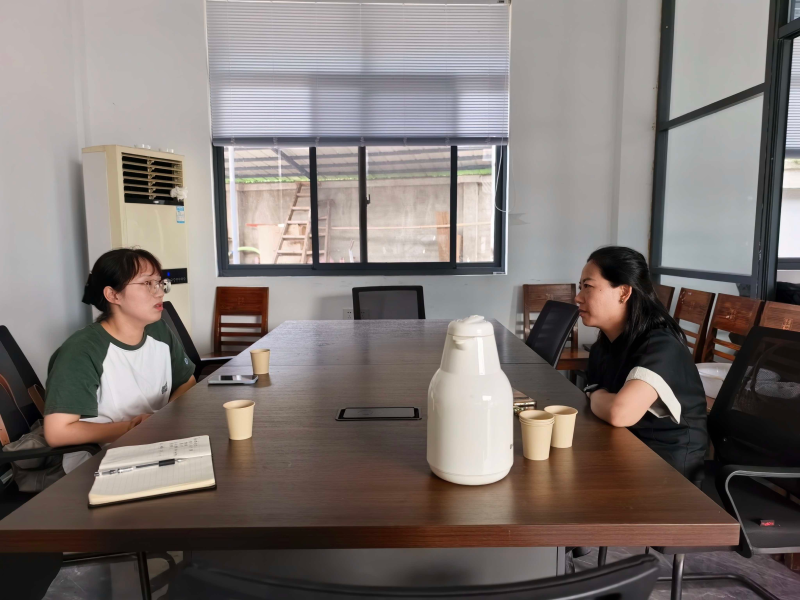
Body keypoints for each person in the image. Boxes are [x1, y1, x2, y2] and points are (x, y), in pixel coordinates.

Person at [44, 248, 195, 470]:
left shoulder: (159, 331)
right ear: (113, 295)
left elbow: (187, 382)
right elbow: (58, 432)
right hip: (98, 462)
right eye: (147, 283)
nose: (160, 292)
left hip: (154, 446)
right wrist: (131, 428)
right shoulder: (82, 350)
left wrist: (162, 420)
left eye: (159, 283)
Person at [576, 246, 707, 481]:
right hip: (625, 448)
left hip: (666, 469)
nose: (578, 297)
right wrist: (599, 396)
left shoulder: (661, 345)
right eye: (580, 287)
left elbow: (619, 413)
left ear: (624, 292)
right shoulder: (603, 345)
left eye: (588, 286)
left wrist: (597, 395)